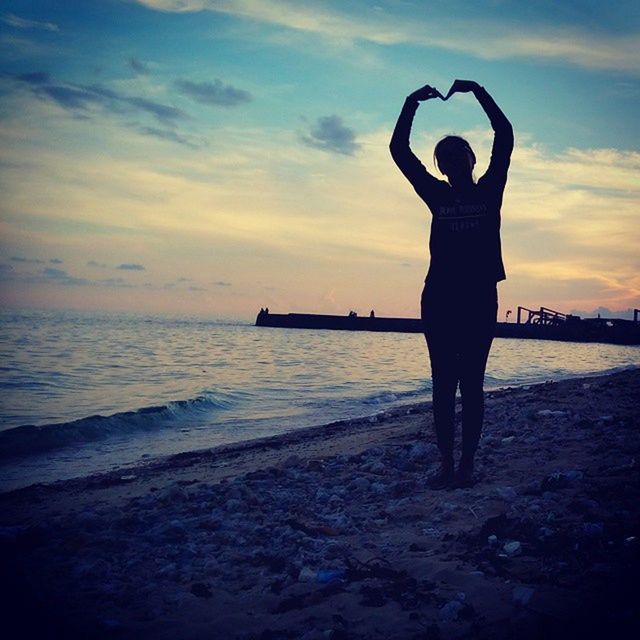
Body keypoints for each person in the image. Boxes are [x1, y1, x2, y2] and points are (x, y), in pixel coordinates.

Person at [390, 79, 514, 488]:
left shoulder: (491, 190)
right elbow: (399, 152)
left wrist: (479, 91)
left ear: (472, 158)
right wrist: (411, 103)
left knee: (472, 384)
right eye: (445, 155)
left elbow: (505, 134)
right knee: (443, 382)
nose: (453, 158)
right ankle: (445, 464)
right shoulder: (436, 195)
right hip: (440, 299)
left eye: (459, 151)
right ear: (441, 166)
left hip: (479, 298)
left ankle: (467, 464)